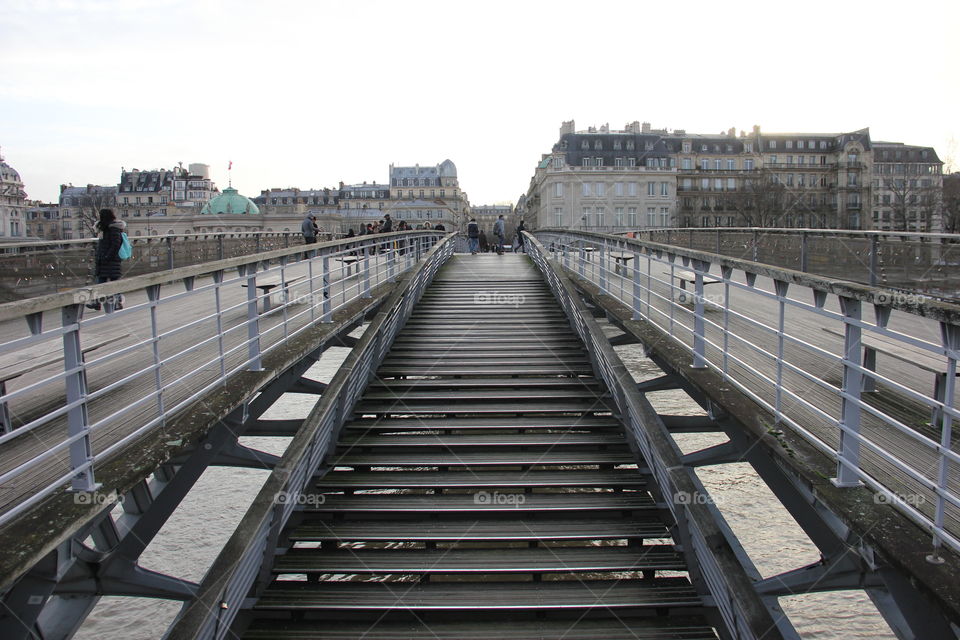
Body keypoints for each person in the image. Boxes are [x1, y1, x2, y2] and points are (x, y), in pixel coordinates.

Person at [86, 208, 124, 311]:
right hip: (104, 260)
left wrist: (107, 256)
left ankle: (116, 302)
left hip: (110, 260)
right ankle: (98, 303)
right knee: (103, 282)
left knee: (111, 282)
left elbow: (116, 244)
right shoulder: (106, 228)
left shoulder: (113, 229)